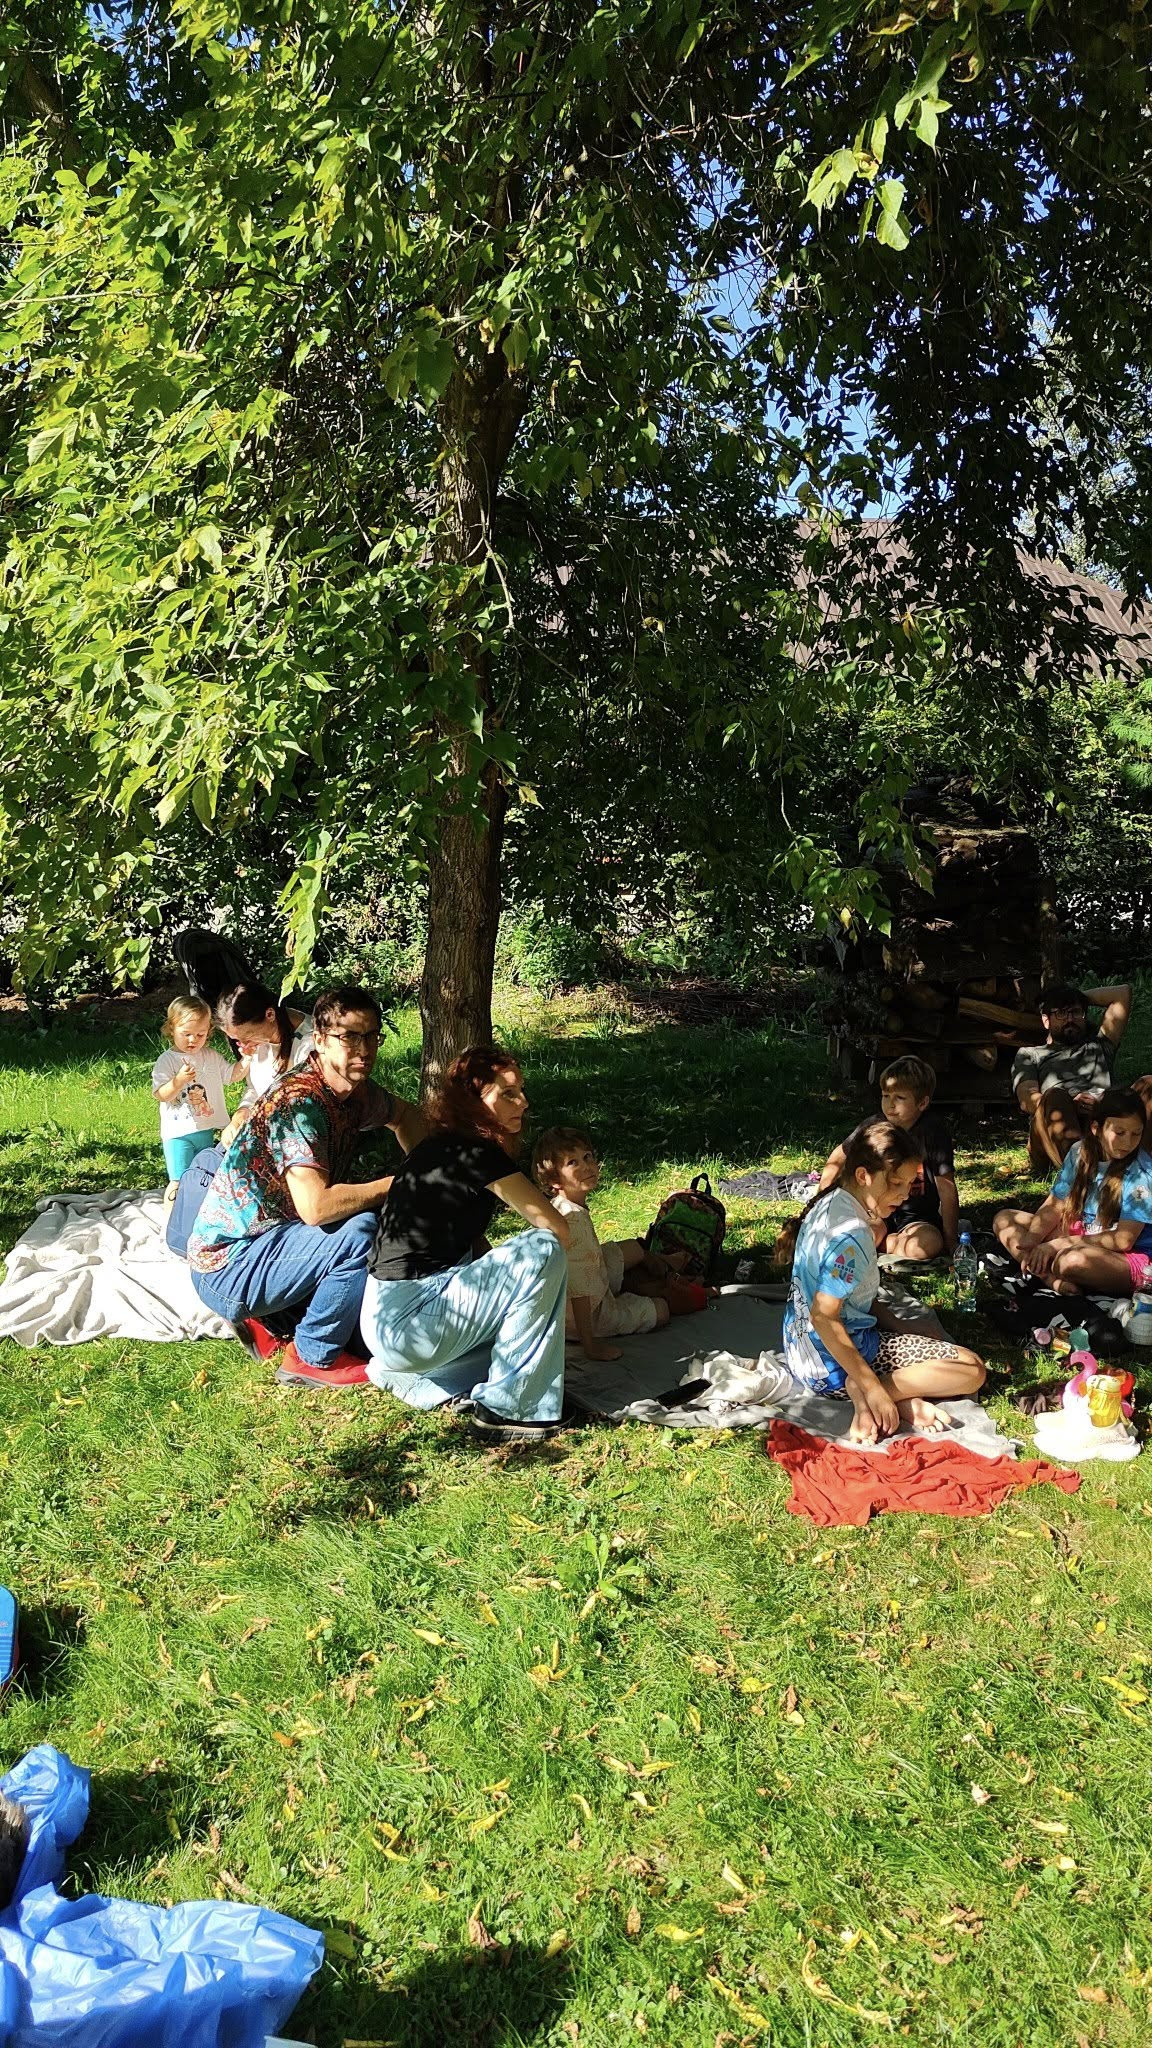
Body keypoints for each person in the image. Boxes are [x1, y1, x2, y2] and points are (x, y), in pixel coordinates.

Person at [188, 986, 424, 1386]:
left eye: (372, 1036)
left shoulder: (354, 1092)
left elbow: (405, 1116)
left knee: (369, 1328)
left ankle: (273, 1319)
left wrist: (424, 1165)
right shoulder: (300, 1103)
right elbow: (317, 1208)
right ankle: (312, 1355)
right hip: (228, 1264)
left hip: (274, 1240)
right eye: (349, 1037)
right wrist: (400, 1184)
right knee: (360, 1233)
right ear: (319, 1040)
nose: (364, 1049)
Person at [361, 1046, 570, 1444]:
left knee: (534, 1338)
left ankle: (420, 1381)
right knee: (543, 1250)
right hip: (412, 1321)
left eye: (521, 1090)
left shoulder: (439, 1146)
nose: (524, 1102)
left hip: (383, 1324)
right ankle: (508, 1409)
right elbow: (556, 1228)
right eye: (508, 1093)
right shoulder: (476, 1152)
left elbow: (471, 1246)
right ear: (474, 1101)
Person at [784, 1119, 986, 1446]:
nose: (904, 1194)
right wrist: (872, 1387)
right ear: (864, 1175)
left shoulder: (831, 1203)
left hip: (803, 1358)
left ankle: (900, 1401)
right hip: (838, 1367)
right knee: (971, 1369)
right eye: (895, 1183)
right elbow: (823, 1316)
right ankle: (873, 1393)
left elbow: (850, 1297)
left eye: (909, 1184)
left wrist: (901, 1325)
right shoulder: (851, 1236)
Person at [532, 1125, 673, 1361]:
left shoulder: (563, 1205)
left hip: (589, 1281)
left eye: (587, 1157)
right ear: (555, 1180)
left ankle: (662, 1266)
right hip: (585, 1316)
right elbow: (579, 1292)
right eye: (573, 1163)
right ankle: (644, 1288)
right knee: (661, 1310)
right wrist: (590, 1346)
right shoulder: (573, 1223)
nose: (586, 1166)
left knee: (634, 1248)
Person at [993, 1087, 1152, 1296]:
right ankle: (1050, 1278)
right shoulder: (1079, 1152)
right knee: (1004, 1219)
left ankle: (1050, 1272)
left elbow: (1123, 1239)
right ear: (1096, 1128)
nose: (1127, 1142)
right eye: (1119, 1133)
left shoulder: (1141, 1174)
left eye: (1136, 1134)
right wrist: (1032, 1241)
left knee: (1071, 1261)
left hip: (1128, 1256)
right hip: (1083, 1236)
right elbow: (1054, 1205)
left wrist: (1056, 1245)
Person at [818, 1056, 958, 1261]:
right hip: (876, 1211)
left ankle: (880, 1246)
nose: (890, 1104)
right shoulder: (875, 1126)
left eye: (899, 1097)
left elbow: (946, 1187)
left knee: (925, 1245)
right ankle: (884, 1243)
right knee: (858, 1235)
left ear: (922, 1102)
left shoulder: (933, 1132)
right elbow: (839, 1156)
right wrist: (821, 1198)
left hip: (917, 1218)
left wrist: (951, 1240)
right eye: (885, 1095)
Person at [1012, 981, 1152, 1170]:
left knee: (1149, 1084)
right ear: (1046, 1020)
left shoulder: (1100, 1045)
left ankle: (1138, 1165)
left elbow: (1122, 994)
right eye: (1061, 1013)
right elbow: (1026, 1099)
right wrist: (1071, 1104)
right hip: (1054, 1128)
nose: (1070, 1019)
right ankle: (1081, 1171)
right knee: (1055, 1095)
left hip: (1105, 1124)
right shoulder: (1030, 1054)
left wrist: (1074, 996)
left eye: (1076, 1012)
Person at [152, 995, 247, 1201]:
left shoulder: (210, 1056)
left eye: (200, 1034)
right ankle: (171, 1218)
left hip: (204, 1129)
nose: (193, 1040)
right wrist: (178, 1080)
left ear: (208, 1032)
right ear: (171, 1029)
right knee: (177, 1182)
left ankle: (196, 1216)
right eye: (186, 1034)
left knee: (204, 1177)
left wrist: (248, 1057)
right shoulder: (167, 1060)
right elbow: (161, 1095)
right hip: (177, 1134)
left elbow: (231, 1075)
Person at [216, 982, 313, 1130]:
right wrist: (241, 1113)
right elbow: (255, 1088)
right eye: (237, 1040)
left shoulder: (309, 1044)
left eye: (247, 1036)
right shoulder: (260, 1039)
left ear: (270, 1014)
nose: (243, 1046)